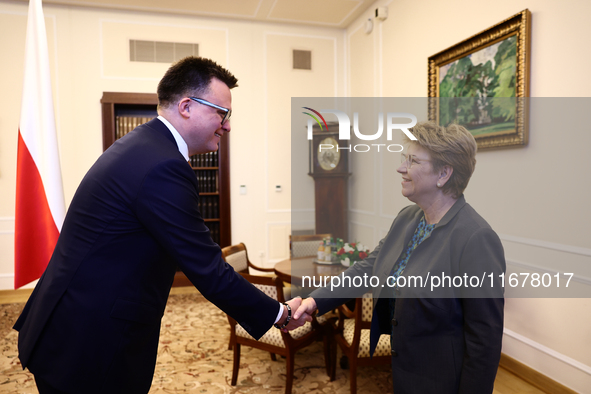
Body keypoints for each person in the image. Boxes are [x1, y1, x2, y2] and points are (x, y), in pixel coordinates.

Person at [14, 56, 311, 394]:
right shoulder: (163, 166)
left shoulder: (146, 145)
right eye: (222, 113)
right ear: (186, 106)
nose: (227, 125)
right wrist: (280, 315)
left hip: (73, 324)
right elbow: (207, 269)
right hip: (89, 340)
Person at [293, 122, 505, 394]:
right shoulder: (408, 218)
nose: (401, 168)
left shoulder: (476, 239)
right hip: (403, 372)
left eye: (413, 160)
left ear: (443, 174)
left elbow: (484, 342)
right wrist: (314, 301)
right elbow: (368, 269)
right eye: (404, 158)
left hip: (441, 383)